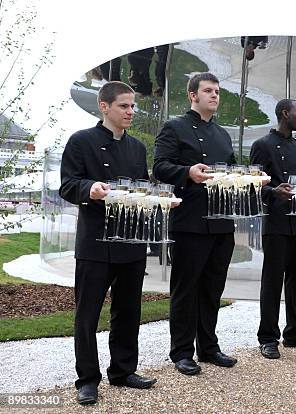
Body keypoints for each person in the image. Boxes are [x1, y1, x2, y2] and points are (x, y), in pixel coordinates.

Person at [60, 81, 156, 405]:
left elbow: (141, 191)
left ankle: (123, 370)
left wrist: (159, 201)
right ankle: (87, 379)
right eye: (124, 106)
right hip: (95, 244)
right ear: (104, 106)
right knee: (86, 316)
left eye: (133, 107)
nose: (131, 112)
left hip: (130, 243)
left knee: (128, 311)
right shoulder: (80, 141)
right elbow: (68, 185)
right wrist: (90, 188)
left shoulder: (138, 148)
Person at [153, 72, 238, 375]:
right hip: (189, 221)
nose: (215, 95)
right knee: (186, 288)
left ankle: (209, 347)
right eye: (208, 91)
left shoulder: (223, 134)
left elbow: (230, 170)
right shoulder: (173, 128)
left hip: (222, 221)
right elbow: (160, 167)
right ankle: (181, 351)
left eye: (217, 91)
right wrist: (187, 172)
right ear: (192, 95)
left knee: (213, 288)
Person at [250, 99, 296, 359]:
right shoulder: (262, 145)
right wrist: (272, 191)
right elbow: (254, 183)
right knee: (272, 280)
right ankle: (268, 337)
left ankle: (294, 331)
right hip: (278, 222)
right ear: (285, 113)